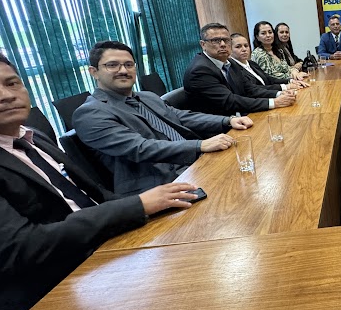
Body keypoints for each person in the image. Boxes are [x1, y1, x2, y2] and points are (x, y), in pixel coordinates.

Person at [0, 50, 199, 310]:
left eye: (12, 83)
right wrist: (138, 206)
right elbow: (18, 247)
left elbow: (95, 198)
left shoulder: (32, 137)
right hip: (38, 304)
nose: (6, 95)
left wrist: (157, 212)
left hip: (102, 260)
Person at [73, 41, 253, 197]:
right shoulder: (90, 113)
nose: (123, 70)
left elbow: (181, 116)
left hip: (194, 164)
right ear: (94, 71)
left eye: (129, 65)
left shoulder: (146, 96)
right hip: (160, 184)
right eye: (112, 65)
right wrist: (200, 145)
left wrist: (227, 121)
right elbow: (140, 148)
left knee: (253, 166)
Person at [183, 22, 297, 115]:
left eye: (226, 40)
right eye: (216, 40)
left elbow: (250, 89)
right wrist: (273, 102)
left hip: (240, 116)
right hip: (220, 129)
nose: (223, 44)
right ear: (203, 44)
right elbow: (229, 101)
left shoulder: (229, 62)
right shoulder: (200, 70)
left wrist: (279, 94)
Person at [230, 33, 308, 91]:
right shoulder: (233, 69)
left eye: (246, 46)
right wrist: (285, 87)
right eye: (238, 46)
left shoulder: (251, 63)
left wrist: (290, 81)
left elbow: (268, 79)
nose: (244, 49)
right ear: (230, 50)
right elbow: (254, 90)